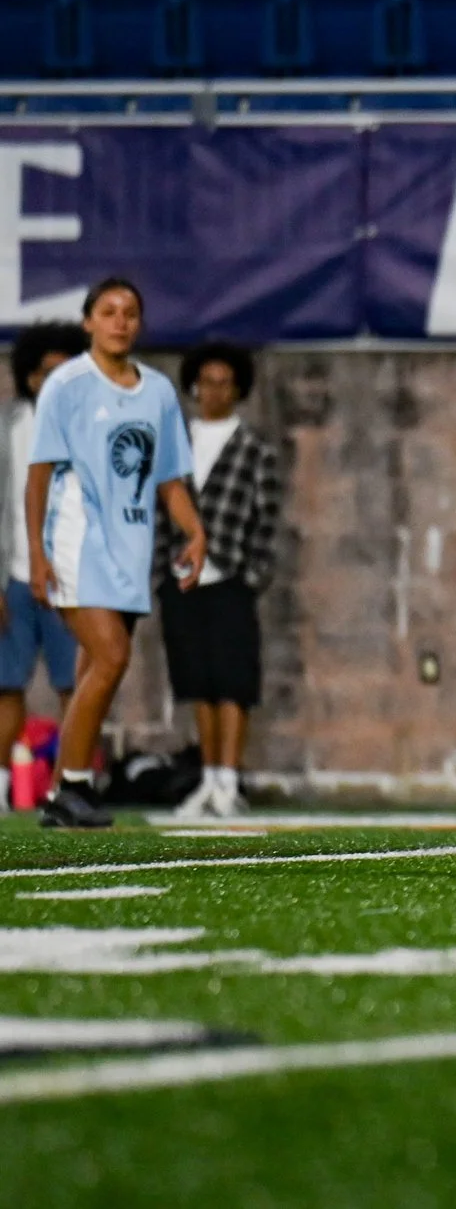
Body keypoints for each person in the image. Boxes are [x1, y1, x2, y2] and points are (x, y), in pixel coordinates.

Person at [24, 278, 207, 830]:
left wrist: (195, 534)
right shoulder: (68, 384)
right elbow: (39, 477)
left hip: (131, 553)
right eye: (108, 311)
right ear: (89, 322)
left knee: (92, 669)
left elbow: (170, 478)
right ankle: (74, 785)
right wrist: (37, 553)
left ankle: (63, 788)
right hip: (78, 544)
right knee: (111, 658)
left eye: (130, 312)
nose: (120, 321)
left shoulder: (155, 392)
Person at [157, 342, 285, 820]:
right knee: (197, 682)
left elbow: (267, 521)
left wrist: (252, 576)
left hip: (230, 577)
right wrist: (160, 573)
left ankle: (229, 781)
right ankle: (207, 779)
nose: (214, 391)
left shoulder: (254, 449)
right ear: (193, 385)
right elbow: (158, 510)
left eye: (224, 382)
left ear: (238, 389)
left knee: (234, 682)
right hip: (182, 580)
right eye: (206, 381)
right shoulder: (176, 444)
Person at [1, 322, 88, 789]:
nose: (53, 382)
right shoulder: (8, 425)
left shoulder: (87, 429)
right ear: (30, 377)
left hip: (69, 579)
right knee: (6, 685)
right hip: (13, 578)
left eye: (65, 372)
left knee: (74, 684)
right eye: (45, 372)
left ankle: (68, 784)